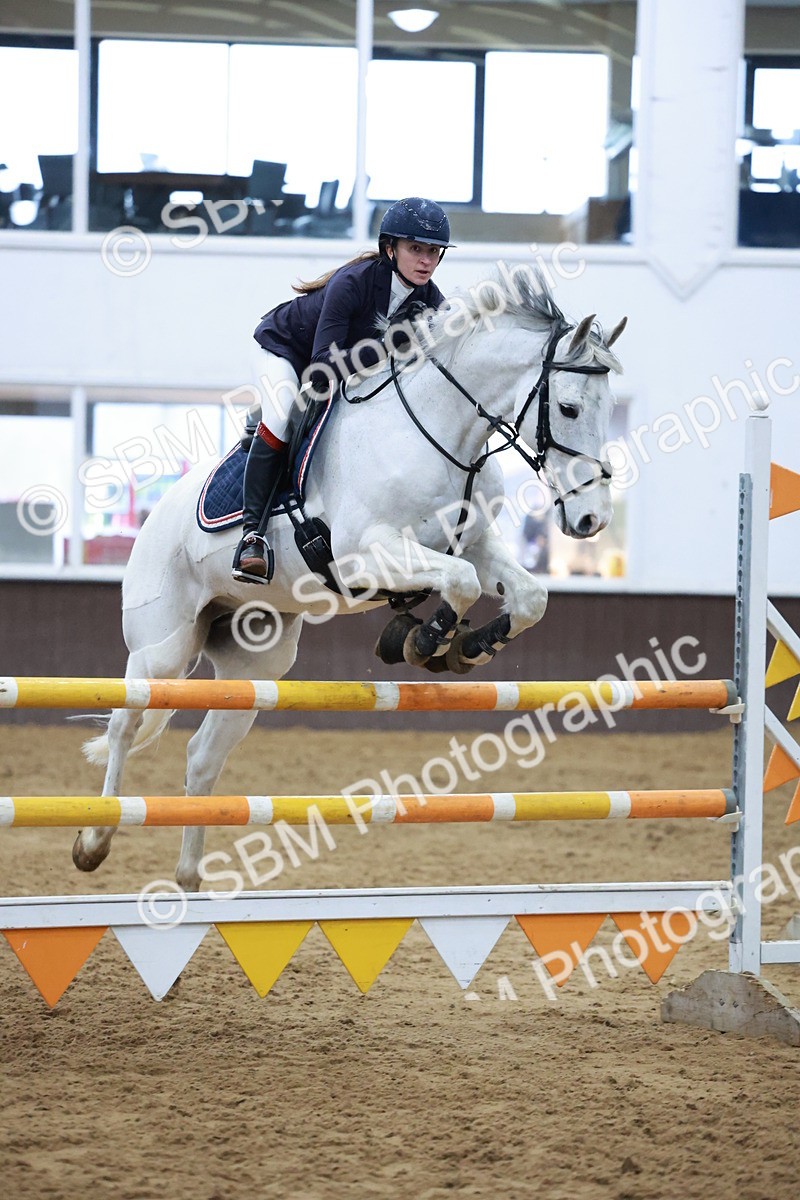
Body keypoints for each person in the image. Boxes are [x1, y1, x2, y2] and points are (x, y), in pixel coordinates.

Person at [232, 196, 452, 583]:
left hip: (339, 366)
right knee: (282, 415)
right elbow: (320, 370)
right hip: (285, 351)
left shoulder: (431, 301)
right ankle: (252, 537)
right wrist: (390, 346)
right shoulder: (353, 282)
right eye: (416, 249)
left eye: (434, 251)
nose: (426, 260)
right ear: (390, 248)